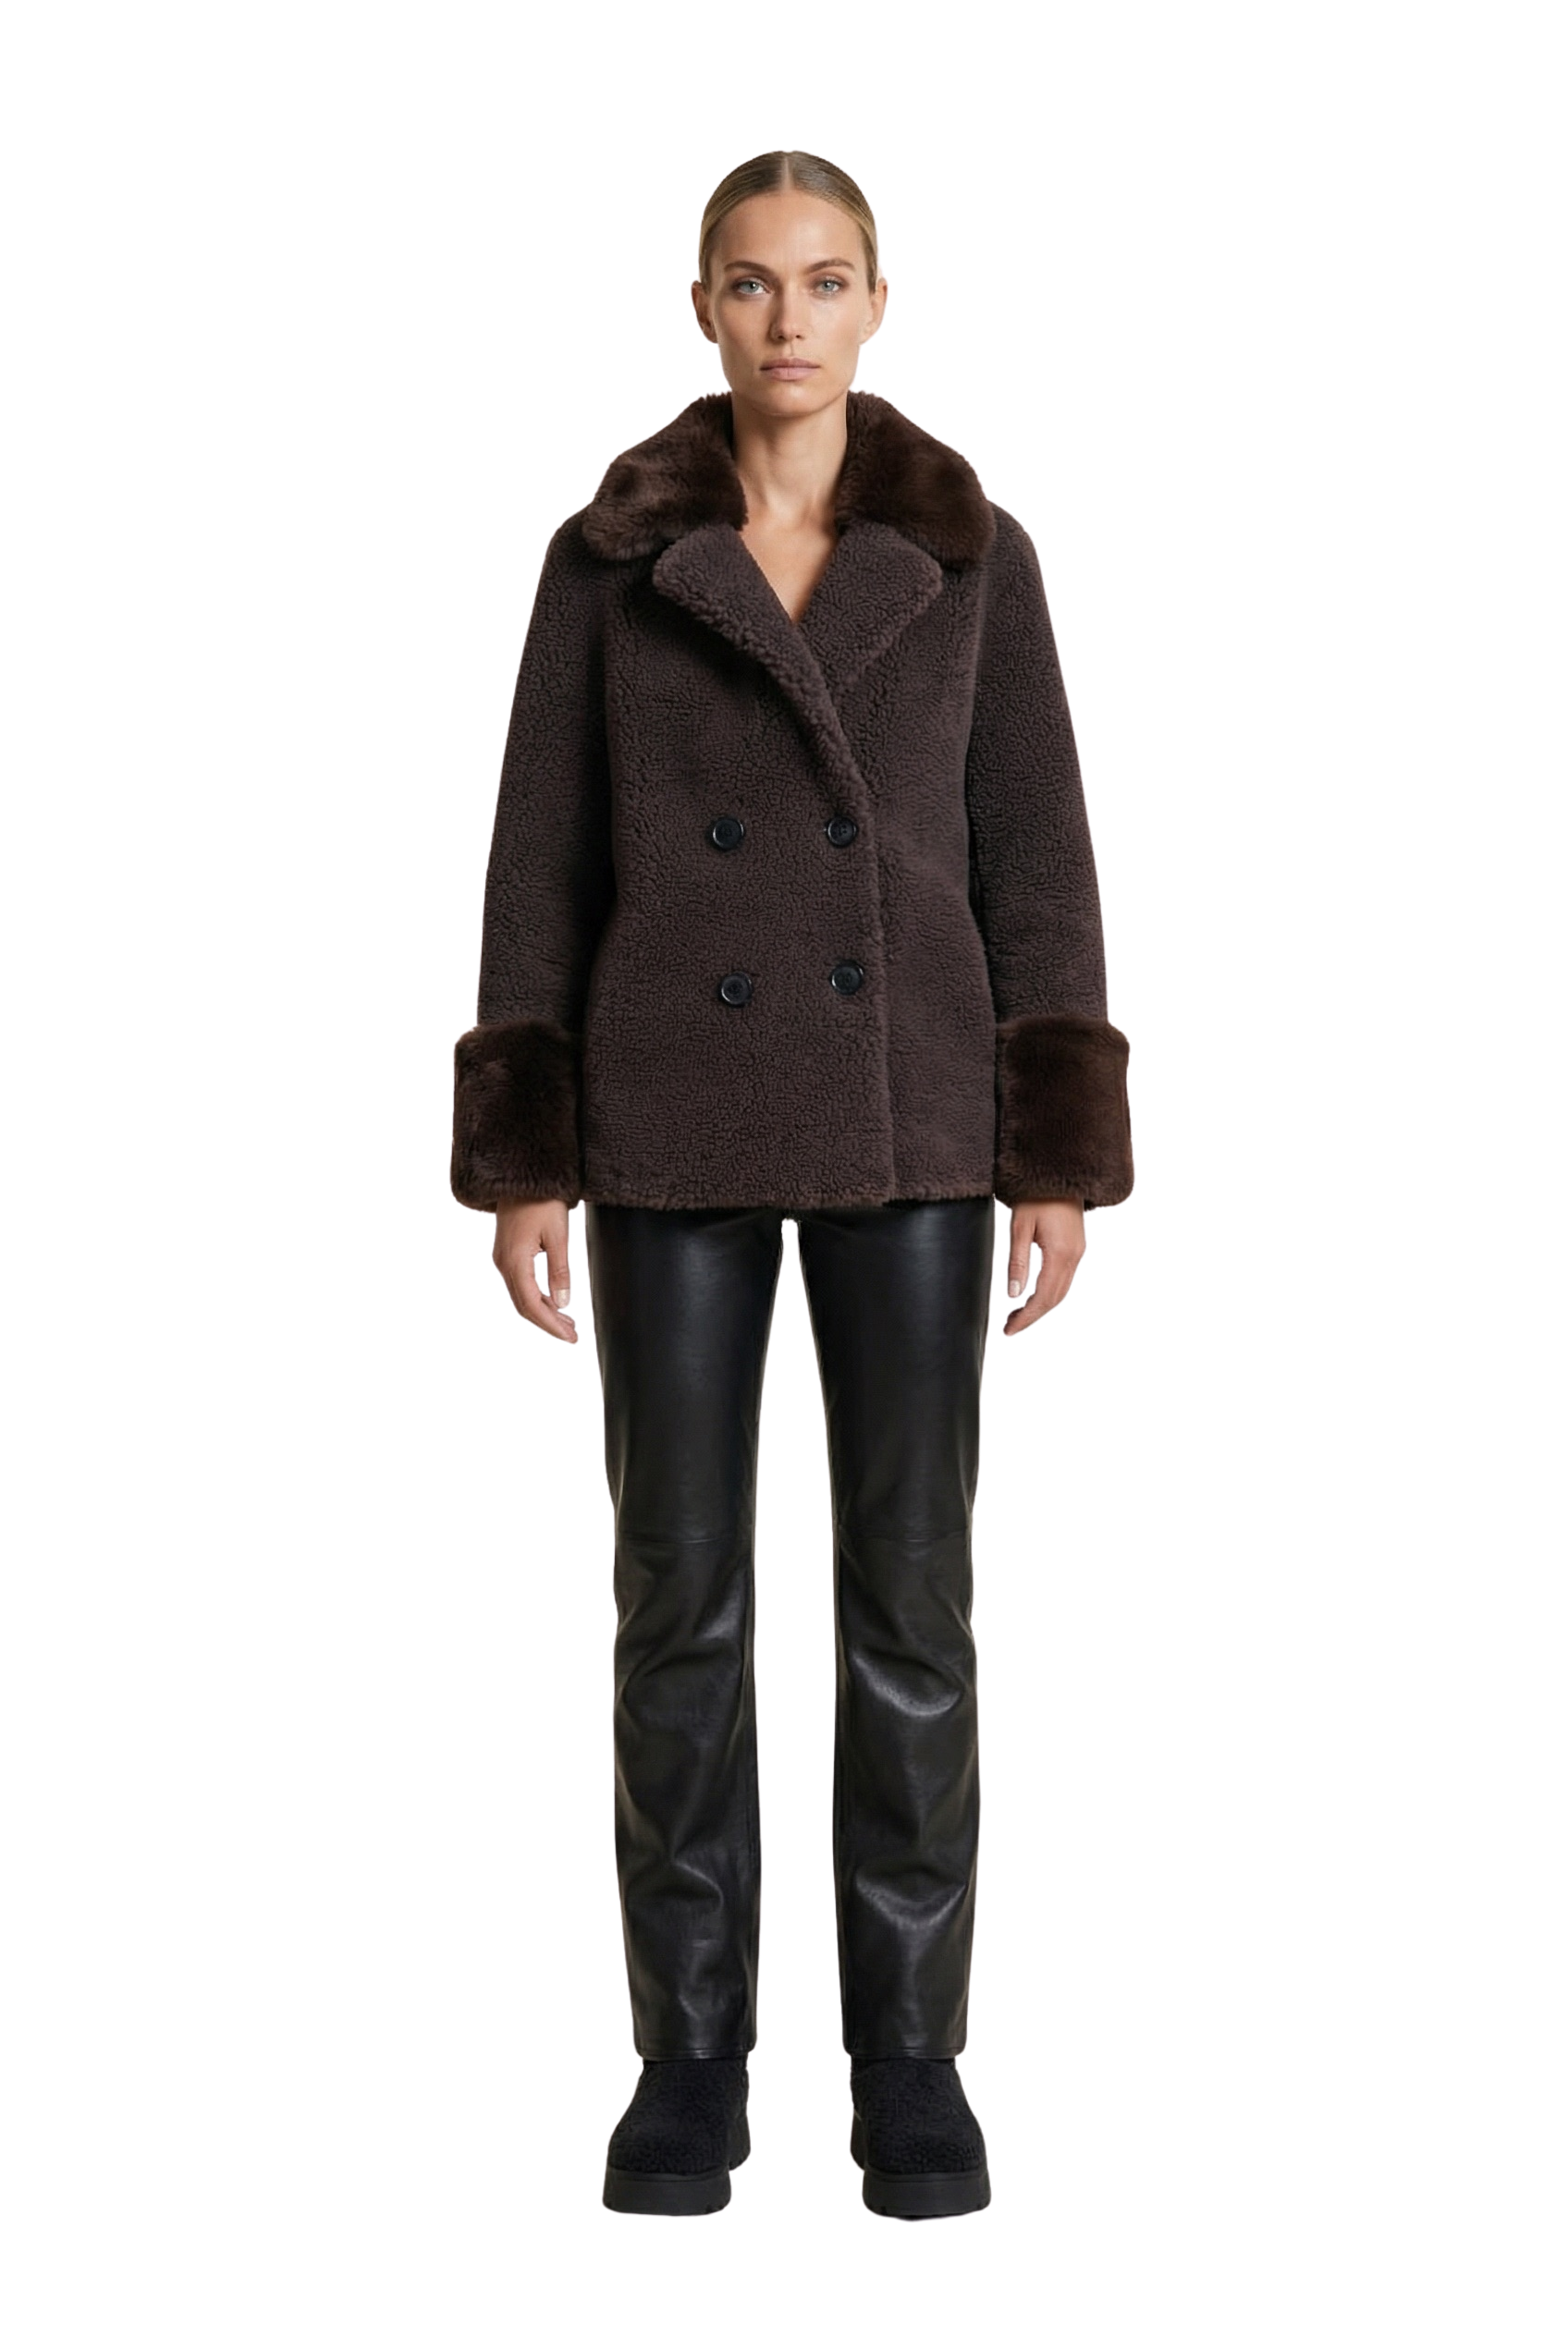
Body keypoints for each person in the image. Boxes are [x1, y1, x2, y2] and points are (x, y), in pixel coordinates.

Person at [448, 149, 1135, 2221]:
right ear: (701, 306)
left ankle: (910, 2055)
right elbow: (536, 859)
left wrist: (1054, 1153)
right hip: (663, 1118)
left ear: (879, 301)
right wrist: (522, 1159)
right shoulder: (604, 556)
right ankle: (690, 2056)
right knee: (677, 1602)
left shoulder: (975, 550)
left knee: (913, 1601)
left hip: (913, 1116)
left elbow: (1038, 850)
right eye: (751, 284)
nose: (788, 321)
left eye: (824, 281)